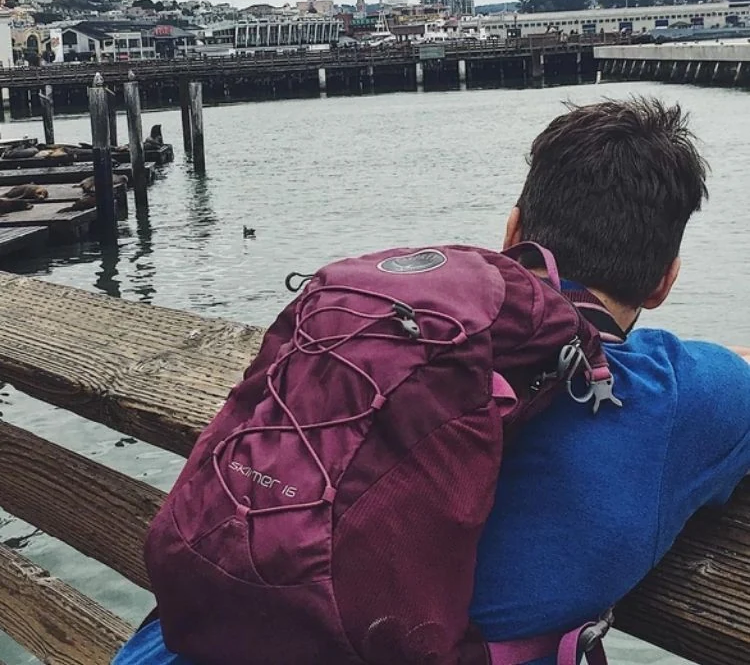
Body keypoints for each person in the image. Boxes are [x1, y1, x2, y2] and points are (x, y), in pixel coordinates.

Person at [113, 96, 750, 665]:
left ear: (511, 233)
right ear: (665, 281)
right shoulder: (675, 397)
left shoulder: (381, 339)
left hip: (180, 638)